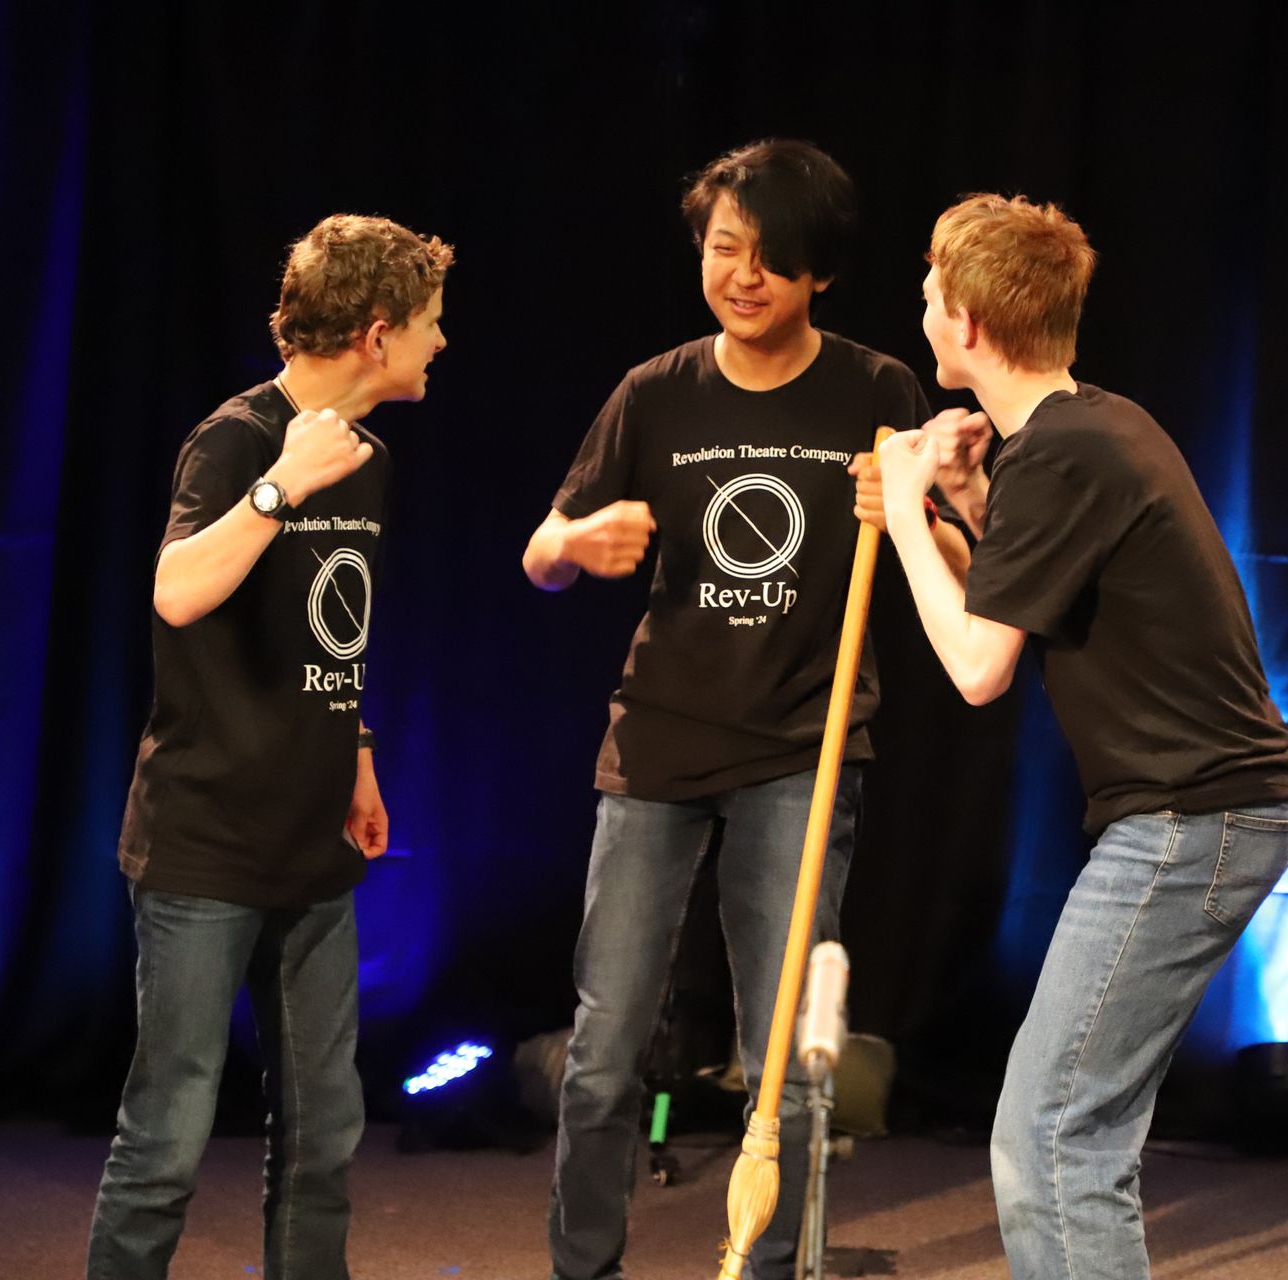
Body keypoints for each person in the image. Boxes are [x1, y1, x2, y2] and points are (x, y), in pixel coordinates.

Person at [522, 139, 963, 1280]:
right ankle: (582, 1266)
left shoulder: (877, 390)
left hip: (801, 755)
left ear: (820, 272)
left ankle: (767, 1268)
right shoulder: (656, 391)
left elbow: (957, 557)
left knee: (781, 1056)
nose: (744, 276)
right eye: (725, 250)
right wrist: (573, 541)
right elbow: (541, 552)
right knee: (606, 1045)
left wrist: (913, 507)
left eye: (772, 258)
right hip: (659, 745)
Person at [871, 194, 1288, 1280]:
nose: (920, 306)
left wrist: (904, 504)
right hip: (1206, 815)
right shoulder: (1084, 429)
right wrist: (965, 505)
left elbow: (979, 666)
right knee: (1073, 1127)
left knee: (1055, 1135)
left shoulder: (1067, 449)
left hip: (1192, 818)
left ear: (967, 321)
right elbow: (1024, 599)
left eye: (929, 291)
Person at [88, 213, 453, 1280]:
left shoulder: (372, 458)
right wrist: (279, 486)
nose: (442, 343)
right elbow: (177, 589)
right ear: (377, 333)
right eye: (431, 324)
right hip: (205, 843)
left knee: (325, 1128)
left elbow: (324, 629)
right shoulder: (240, 439)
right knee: (167, 1132)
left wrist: (361, 751)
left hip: (312, 842)